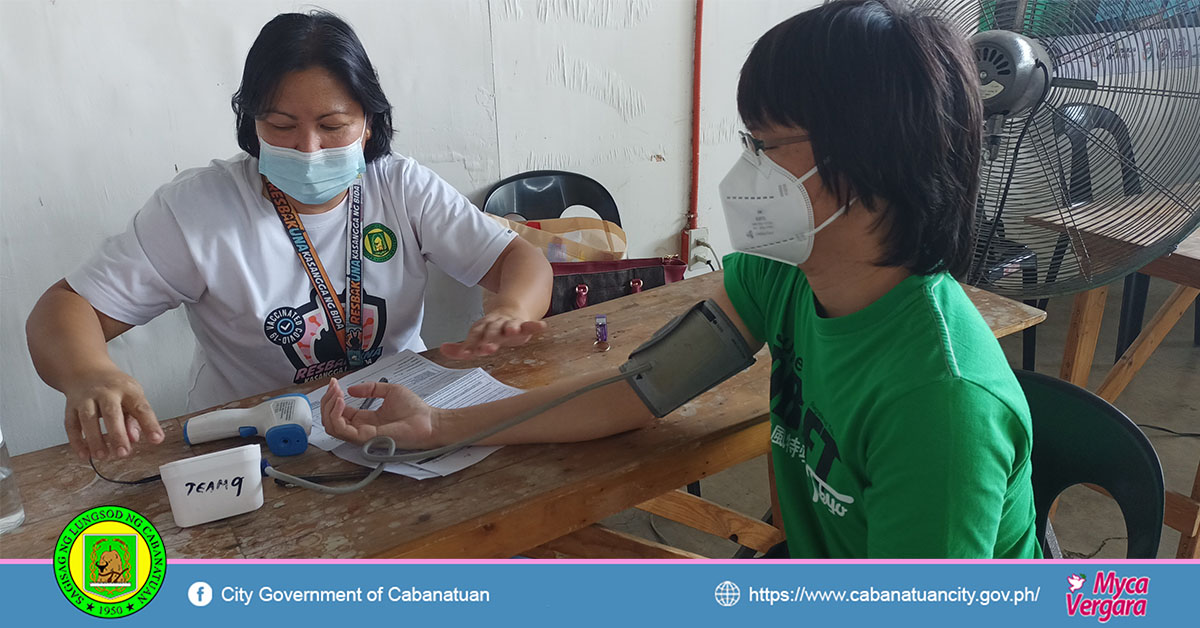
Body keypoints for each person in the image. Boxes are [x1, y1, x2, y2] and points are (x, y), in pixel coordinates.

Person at [319, 0, 1041, 559]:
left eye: (766, 145)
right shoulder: (780, 275)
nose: (746, 169)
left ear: (872, 157)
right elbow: (642, 385)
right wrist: (440, 425)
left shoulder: (940, 405)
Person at [25, 12, 552, 463]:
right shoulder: (198, 208)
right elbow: (65, 308)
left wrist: (510, 305)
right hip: (259, 441)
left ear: (368, 123)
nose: (307, 147)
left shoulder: (399, 184)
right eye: (280, 125)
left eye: (332, 125)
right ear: (250, 122)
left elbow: (518, 261)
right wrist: (89, 373)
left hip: (401, 417)